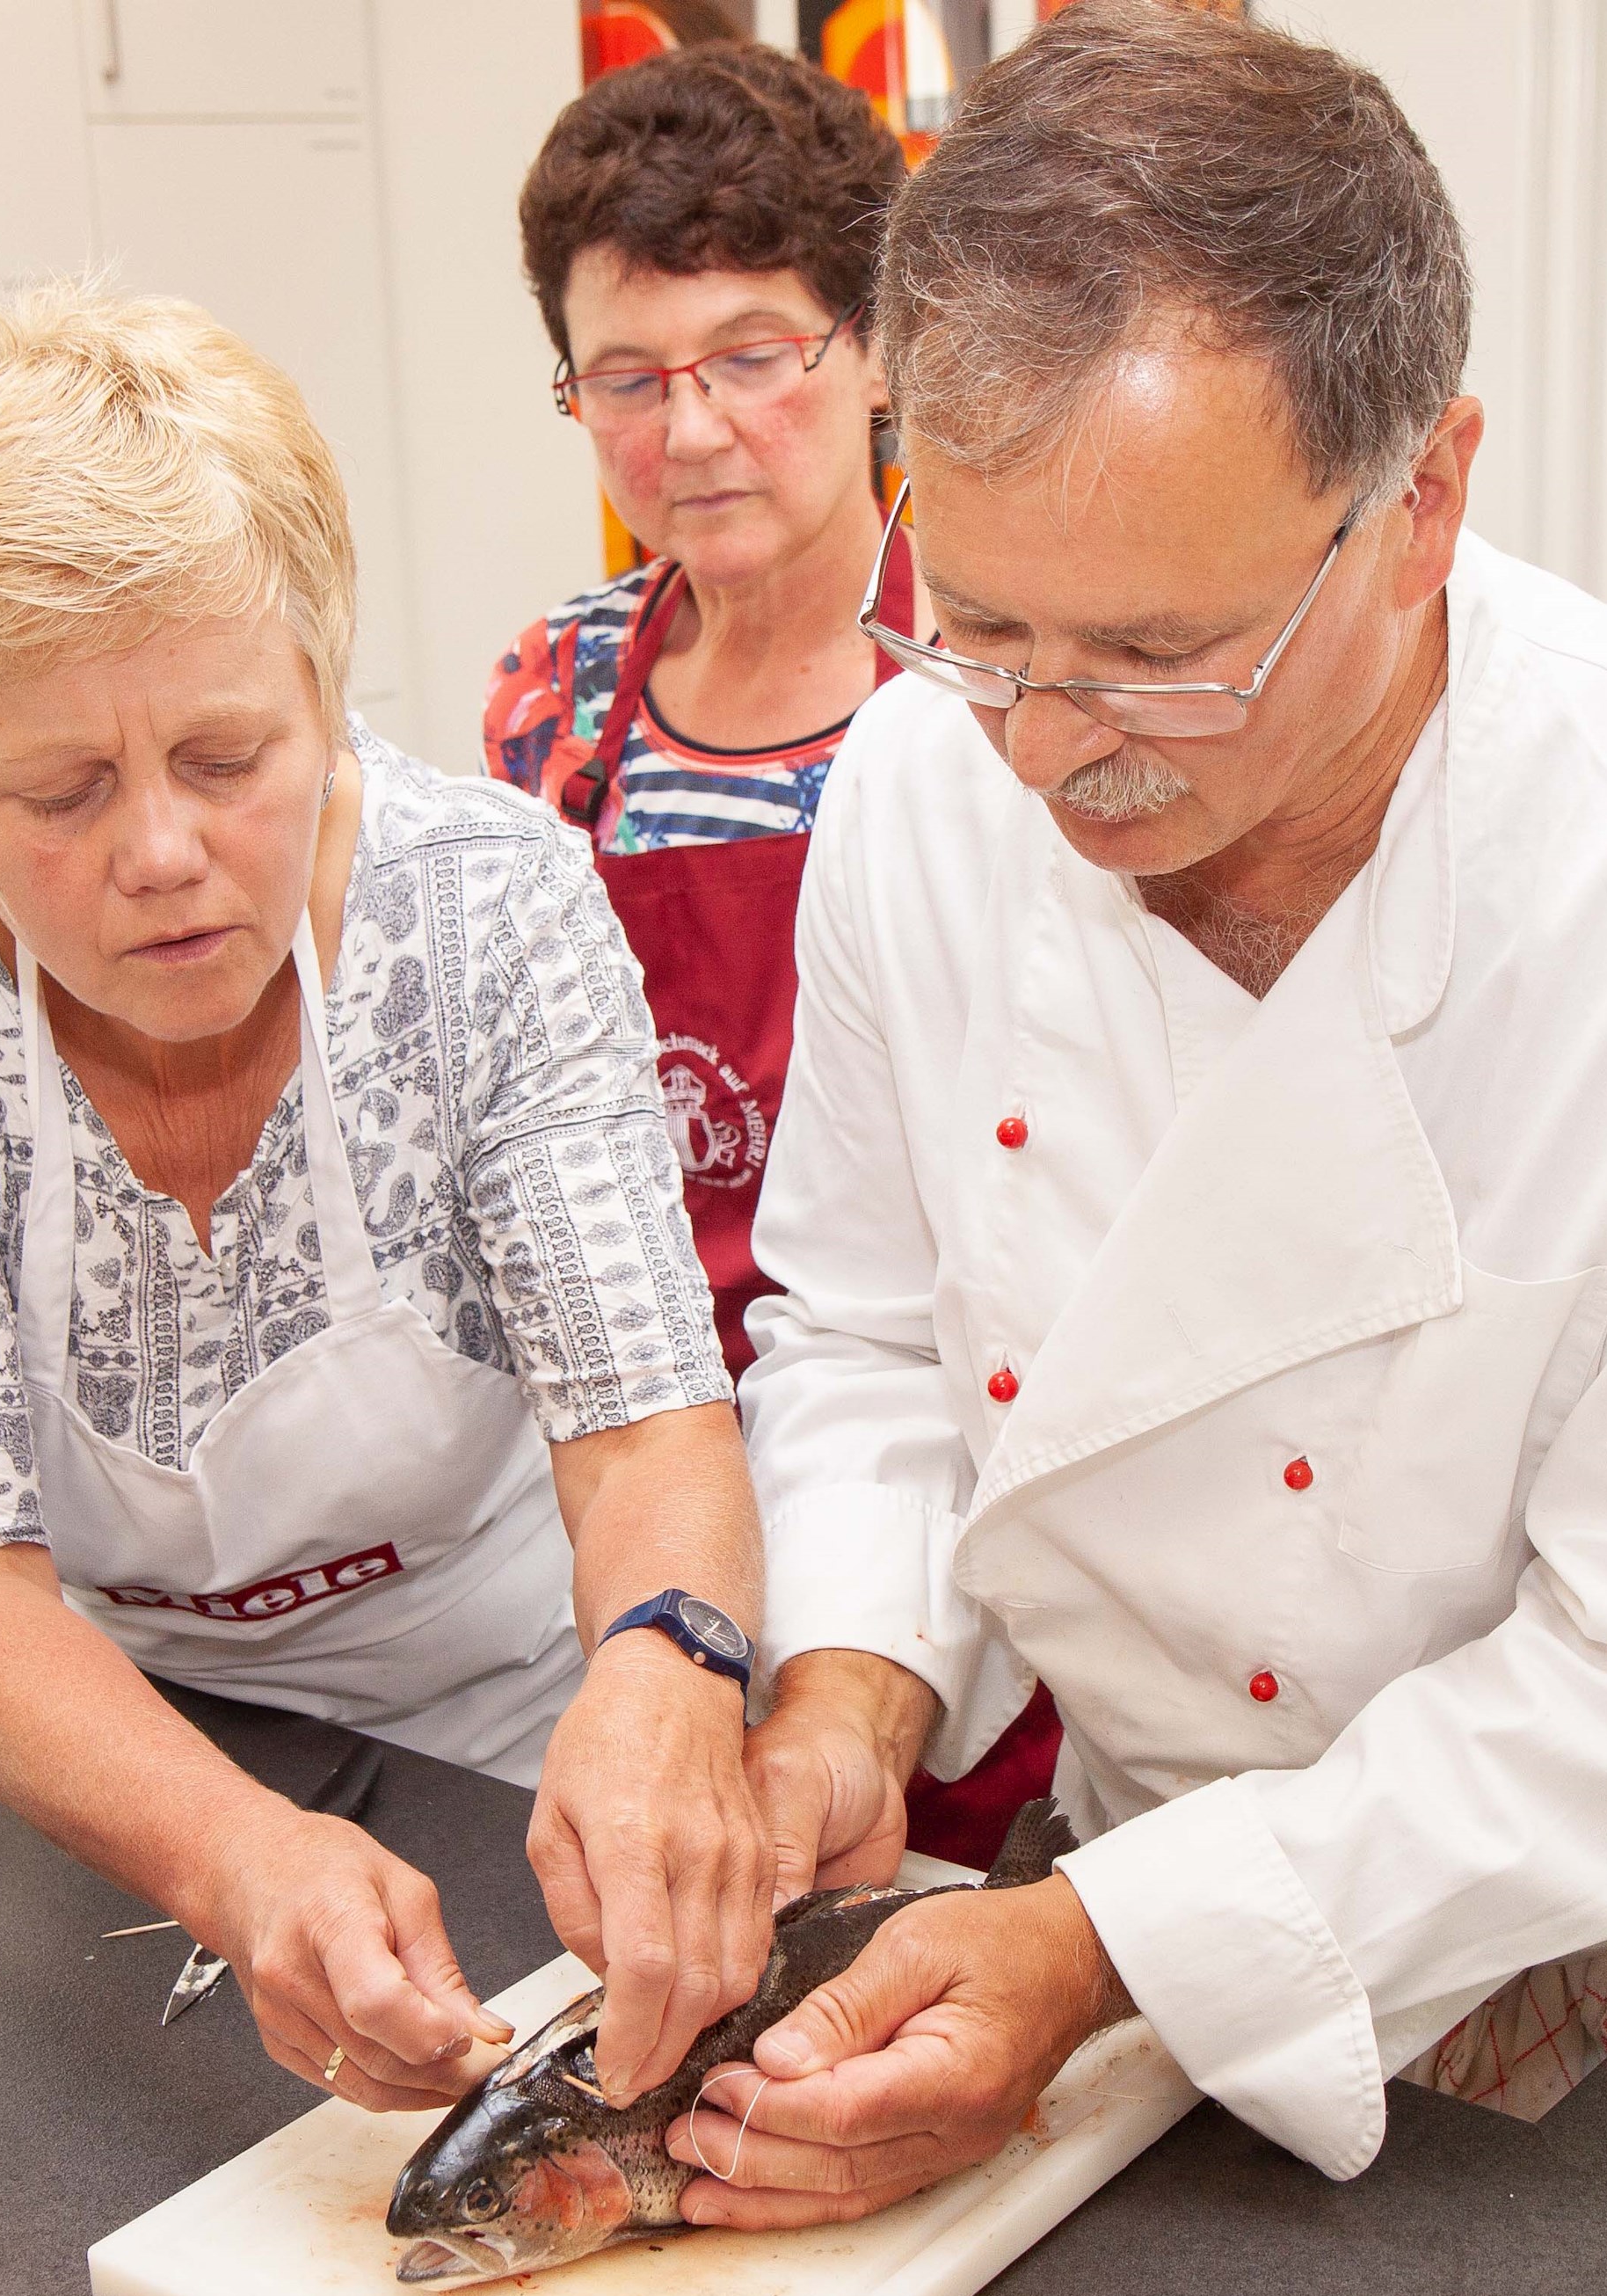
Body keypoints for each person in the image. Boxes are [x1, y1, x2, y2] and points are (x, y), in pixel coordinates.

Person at [681, 1, 1607, 2223]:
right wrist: (843, 1698)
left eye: (1161, 653)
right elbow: (866, 1327)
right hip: (1098, 1886)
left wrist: (1102, 1946)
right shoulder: (918, 777)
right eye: (976, 623)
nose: (1044, 746)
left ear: (1424, 501)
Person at [0, 286, 774, 2113]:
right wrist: (234, 1853)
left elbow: (641, 1434)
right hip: (111, 1762)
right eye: (57, 791)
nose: (159, 855)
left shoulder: (486, 913)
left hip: (503, 1725)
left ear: (323, 688)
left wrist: (670, 1667)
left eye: (226, 760)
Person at [494, 43, 1061, 1871]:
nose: (691, 429)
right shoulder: (554, 698)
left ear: (876, 348)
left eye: (753, 354)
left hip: (952, 1462)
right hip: (651, 1482)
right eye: (628, 377)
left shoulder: (994, 691)